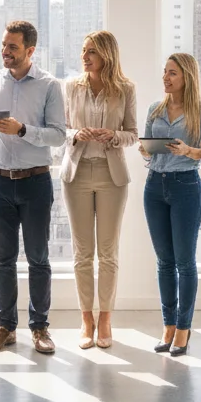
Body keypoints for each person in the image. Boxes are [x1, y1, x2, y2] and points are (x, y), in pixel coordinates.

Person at [0, 20, 67, 356]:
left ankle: (40, 327)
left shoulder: (49, 86)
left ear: (31, 50)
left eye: (13, 47)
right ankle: (5, 327)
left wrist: (22, 130)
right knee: (3, 260)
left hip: (35, 182)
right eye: (4, 45)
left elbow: (59, 135)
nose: (5, 52)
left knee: (38, 258)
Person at [62, 31, 137, 349]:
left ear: (107, 54)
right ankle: (86, 319)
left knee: (108, 254)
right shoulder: (71, 87)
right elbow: (60, 130)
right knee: (82, 254)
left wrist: (113, 136)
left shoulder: (125, 89)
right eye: (83, 50)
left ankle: (105, 318)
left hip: (111, 176)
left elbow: (133, 134)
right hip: (76, 175)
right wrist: (77, 133)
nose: (85, 56)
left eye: (91, 51)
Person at [140, 53, 201, 357]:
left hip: (185, 187)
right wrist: (146, 150)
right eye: (164, 72)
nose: (166, 78)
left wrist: (189, 150)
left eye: (172, 73)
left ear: (186, 76)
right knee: (164, 261)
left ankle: (183, 329)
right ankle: (168, 325)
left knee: (185, 262)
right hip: (154, 185)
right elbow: (147, 148)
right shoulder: (155, 109)